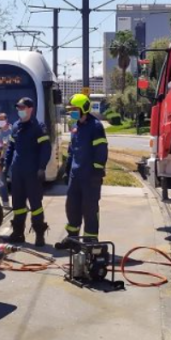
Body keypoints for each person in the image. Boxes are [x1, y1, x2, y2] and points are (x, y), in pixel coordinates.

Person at [2, 97, 52, 246]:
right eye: (18, 108)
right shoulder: (16, 126)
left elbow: (46, 149)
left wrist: (42, 168)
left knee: (35, 205)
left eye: (22, 108)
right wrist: (6, 165)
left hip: (32, 173)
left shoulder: (38, 127)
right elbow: (11, 147)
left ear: (30, 109)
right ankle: (18, 233)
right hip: (17, 172)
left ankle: (39, 235)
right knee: (18, 205)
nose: (20, 111)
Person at [62, 94, 108, 242]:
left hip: (90, 176)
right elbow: (72, 151)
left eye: (74, 109)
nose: (72, 112)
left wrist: (97, 171)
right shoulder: (75, 127)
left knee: (90, 209)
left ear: (83, 108)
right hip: (75, 176)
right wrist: (67, 170)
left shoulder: (95, 126)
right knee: (72, 206)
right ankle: (73, 237)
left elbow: (101, 150)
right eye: (70, 109)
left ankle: (90, 240)